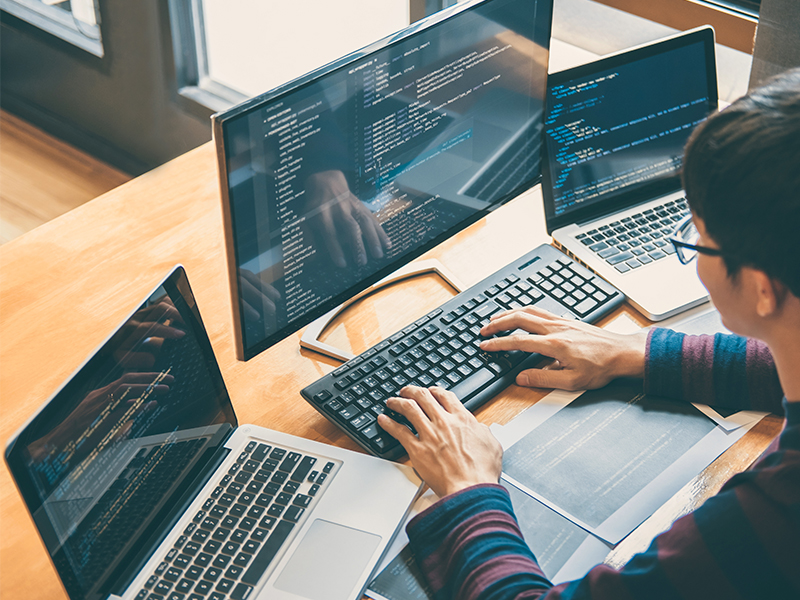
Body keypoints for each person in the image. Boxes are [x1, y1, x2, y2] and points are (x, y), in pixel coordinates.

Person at [376, 67, 800, 599]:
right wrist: (636, 351)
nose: (692, 249)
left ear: (763, 288)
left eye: (699, 237)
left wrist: (469, 488)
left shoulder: (777, 513)